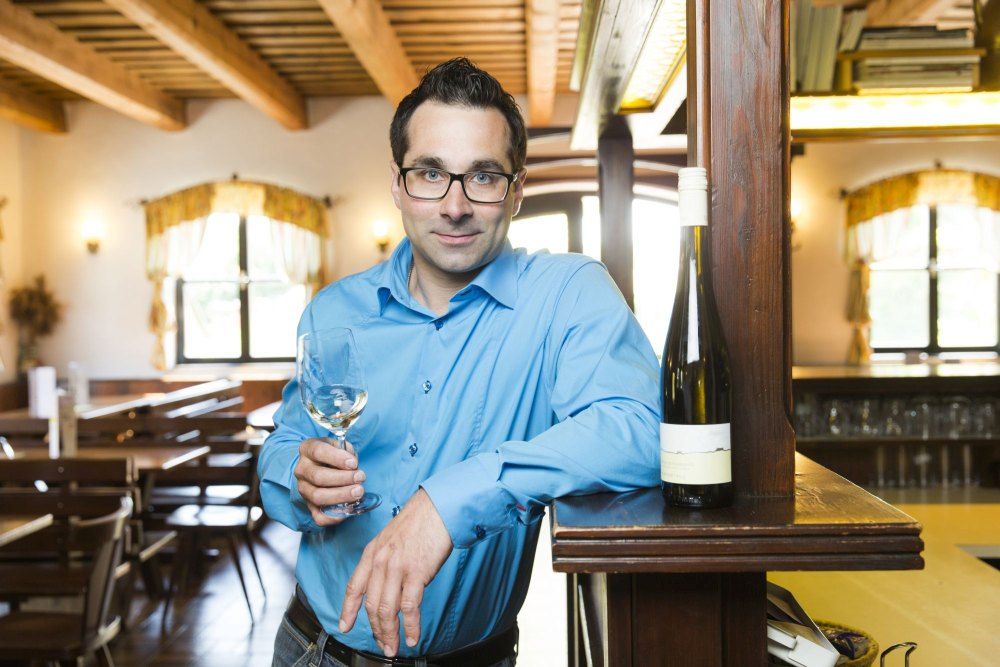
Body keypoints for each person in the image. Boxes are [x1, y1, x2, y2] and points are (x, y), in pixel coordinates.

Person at [260, 58, 660, 667]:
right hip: (311, 649)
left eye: (483, 175)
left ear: (517, 190)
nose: (454, 205)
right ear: (398, 184)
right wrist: (296, 477)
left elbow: (640, 428)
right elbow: (283, 447)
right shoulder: (333, 310)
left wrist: (454, 500)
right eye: (429, 173)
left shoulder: (567, 293)